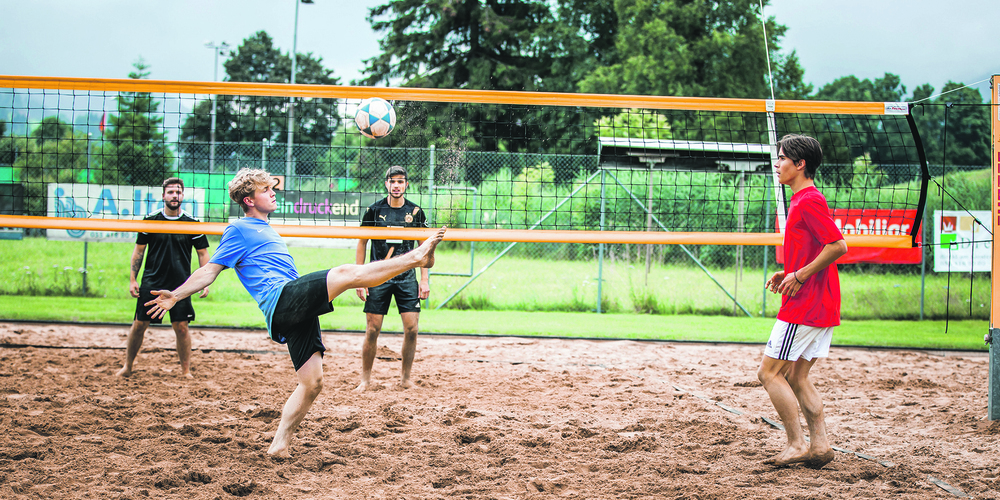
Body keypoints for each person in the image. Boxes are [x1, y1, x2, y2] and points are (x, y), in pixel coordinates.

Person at [144, 168, 446, 458]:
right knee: (346, 273)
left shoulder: (264, 227)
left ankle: (279, 443)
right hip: (282, 299)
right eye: (267, 190)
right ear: (249, 200)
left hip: (292, 308)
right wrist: (178, 294)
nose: (274, 193)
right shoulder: (238, 228)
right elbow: (209, 271)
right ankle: (417, 257)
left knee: (312, 383)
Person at [758, 134, 848, 469]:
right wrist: (790, 272)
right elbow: (817, 250)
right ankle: (820, 446)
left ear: (800, 164)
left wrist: (801, 276)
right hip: (815, 302)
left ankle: (796, 444)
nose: (777, 163)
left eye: (782, 158)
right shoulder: (801, 200)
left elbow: (838, 246)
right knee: (796, 377)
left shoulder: (808, 200)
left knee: (768, 374)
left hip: (806, 305)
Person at [116, 177, 210, 379]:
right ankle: (128, 366)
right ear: (163, 196)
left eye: (178, 192)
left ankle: (186, 371)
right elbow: (138, 252)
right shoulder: (150, 221)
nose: (174, 196)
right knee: (139, 324)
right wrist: (133, 279)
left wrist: (205, 282)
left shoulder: (192, 224)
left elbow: (203, 254)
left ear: (183, 196)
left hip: (181, 284)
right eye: (170, 192)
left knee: (181, 328)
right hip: (152, 281)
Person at [354, 165, 429, 391]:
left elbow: (424, 247)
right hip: (378, 277)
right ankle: (365, 380)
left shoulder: (416, 212)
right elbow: (361, 242)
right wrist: (359, 278)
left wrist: (424, 279)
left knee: (412, 328)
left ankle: (405, 379)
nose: (396, 185)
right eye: (392, 181)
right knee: (372, 329)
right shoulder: (373, 211)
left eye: (400, 181)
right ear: (386, 183)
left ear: (406, 184)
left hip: (407, 277)